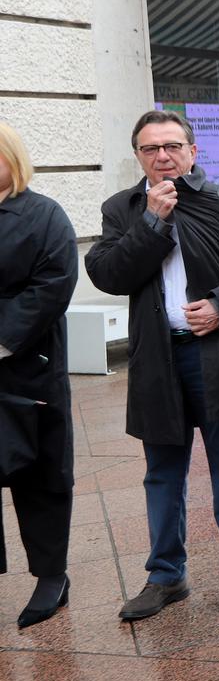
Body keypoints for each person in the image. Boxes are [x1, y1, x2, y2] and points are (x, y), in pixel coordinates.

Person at [85, 110, 219, 620]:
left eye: (172, 146)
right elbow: (107, 274)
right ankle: (166, 576)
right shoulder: (122, 209)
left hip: (217, 358)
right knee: (161, 473)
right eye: (151, 149)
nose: (163, 156)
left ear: (193, 152)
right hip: (156, 361)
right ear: (139, 157)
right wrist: (152, 222)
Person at [0, 123, 78, 628]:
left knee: (39, 473)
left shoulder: (43, 214)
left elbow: (54, 282)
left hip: (27, 366)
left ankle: (51, 576)